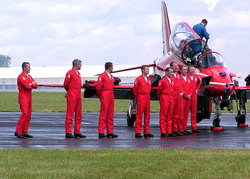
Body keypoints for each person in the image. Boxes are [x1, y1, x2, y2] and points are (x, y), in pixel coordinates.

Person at [15, 62, 38, 138]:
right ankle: (18, 131)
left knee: (28, 115)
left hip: (29, 96)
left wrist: (31, 84)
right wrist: (31, 84)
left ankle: (25, 132)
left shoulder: (29, 77)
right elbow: (27, 86)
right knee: (24, 113)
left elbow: (36, 85)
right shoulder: (21, 77)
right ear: (24, 68)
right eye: (28, 67)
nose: (30, 68)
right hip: (23, 97)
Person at [64, 59, 86, 138]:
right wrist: (69, 92)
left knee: (78, 114)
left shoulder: (78, 74)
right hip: (72, 95)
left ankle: (77, 131)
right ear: (76, 64)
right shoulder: (70, 73)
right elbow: (66, 84)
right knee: (70, 114)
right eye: (80, 64)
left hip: (78, 95)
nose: (81, 66)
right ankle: (68, 132)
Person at [96, 62, 118, 138]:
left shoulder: (111, 76)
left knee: (110, 114)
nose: (113, 68)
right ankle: (101, 131)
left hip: (111, 95)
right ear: (109, 67)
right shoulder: (102, 76)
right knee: (103, 114)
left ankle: (110, 131)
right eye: (112, 66)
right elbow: (98, 88)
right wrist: (101, 96)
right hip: (105, 94)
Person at [133, 65, 154, 138]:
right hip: (141, 97)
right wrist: (138, 98)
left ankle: (146, 131)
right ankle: (138, 132)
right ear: (142, 70)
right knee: (139, 115)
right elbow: (135, 91)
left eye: (148, 69)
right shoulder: (138, 79)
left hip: (147, 97)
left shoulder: (149, 80)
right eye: (147, 69)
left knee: (147, 115)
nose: (148, 71)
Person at [157, 67, 175, 137]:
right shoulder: (162, 81)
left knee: (170, 115)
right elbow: (159, 92)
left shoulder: (172, 80)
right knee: (163, 115)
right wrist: (161, 99)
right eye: (170, 72)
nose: (171, 74)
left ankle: (169, 131)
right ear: (166, 72)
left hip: (171, 98)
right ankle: (163, 131)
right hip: (164, 98)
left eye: (172, 72)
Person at [170, 62, 184, 136]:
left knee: (176, 114)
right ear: (171, 67)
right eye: (175, 66)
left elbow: (180, 86)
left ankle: (175, 129)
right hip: (172, 97)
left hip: (178, 97)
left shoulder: (178, 75)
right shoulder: (170, 76)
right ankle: (170, 130)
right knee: (170, 114)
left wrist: (181, 92)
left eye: (177, 66)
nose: (177, 67)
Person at [188, 66, 201, 133]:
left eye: (193, 70)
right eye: (191, 70)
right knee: (185, 113)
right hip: (187, 96)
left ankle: (194, 127)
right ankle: (183, 127)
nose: (192, 71)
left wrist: (197, 89)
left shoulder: (196, 77)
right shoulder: (186, 76)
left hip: (194, 96)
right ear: (188, 70)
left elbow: (199, 83)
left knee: (193, 112)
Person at [179, 66, 192, 135]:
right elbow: (180, 88)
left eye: (186, 70)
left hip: (188, 98)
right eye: (184, 70)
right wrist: (185, 95)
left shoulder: (188, 78)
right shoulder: (179, 78)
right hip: (182, 98)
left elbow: (191, 87)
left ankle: (184, 128)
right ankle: (180, 129)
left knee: (186, 114)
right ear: (180, 71)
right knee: (181, 114)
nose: (185, 71)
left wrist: (190, 94)